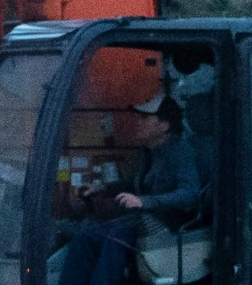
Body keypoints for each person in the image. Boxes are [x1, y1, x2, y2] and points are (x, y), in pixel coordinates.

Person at [57, 93, 202, 285]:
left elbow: (190, 193)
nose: (138, 123)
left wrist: (144, 201)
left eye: (145, 118)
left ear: (164, 126)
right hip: (141, 220)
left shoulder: (180, 153)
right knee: (84, 236)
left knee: (114, 239)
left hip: (166, 227)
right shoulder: (148, 152)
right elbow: (133, 185)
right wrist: (100, 189)